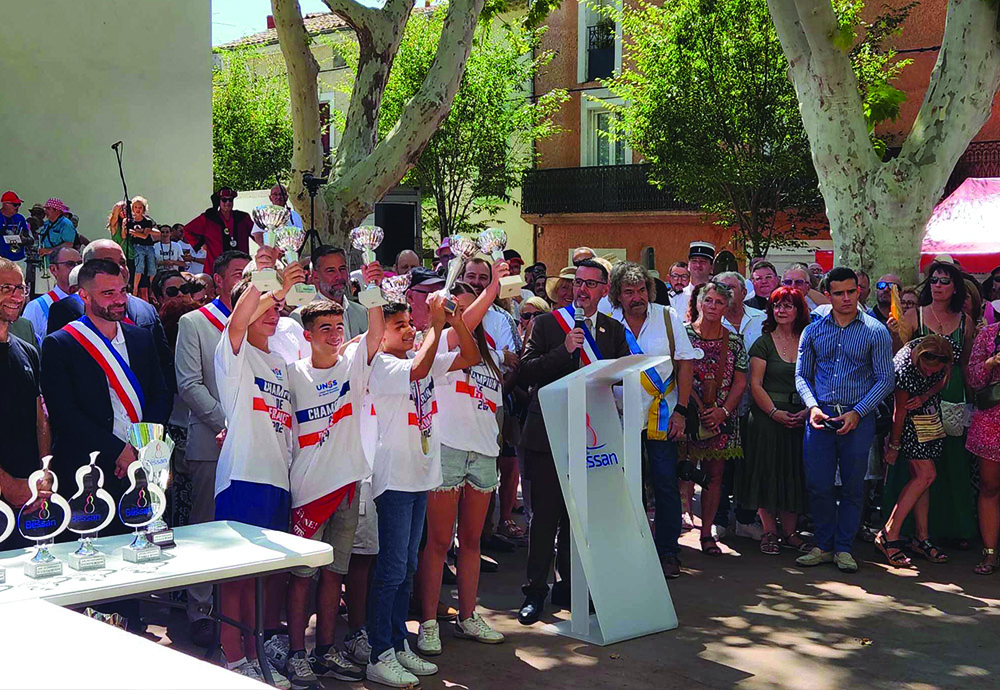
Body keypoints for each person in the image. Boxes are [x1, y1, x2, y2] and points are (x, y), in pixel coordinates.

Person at [364, 293, 478, 688]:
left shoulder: (423, 358)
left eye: (412, 324)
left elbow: (470, 357)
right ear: (381, 337)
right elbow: (417, 369)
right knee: (392, 569)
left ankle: (397, 644)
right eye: (401, 326)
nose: (411, 330)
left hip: (419, 478)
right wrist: (434, 325)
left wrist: (455, 320)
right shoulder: (383, 365)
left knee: (407, 567)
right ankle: (379, 653)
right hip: (394, 480)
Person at [283, 264, 384, 687]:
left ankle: (325, 652)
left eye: (338, 326)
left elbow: (376, 334)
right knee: (301, 579)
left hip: (347, 489)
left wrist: (374, 286)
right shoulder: (292, 375)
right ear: (306, 334)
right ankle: (295, 653)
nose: (333, 334)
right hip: (308, 492)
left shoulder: (352, 365)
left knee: (335, 574)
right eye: (324, 328)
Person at [516, 259, 630, 624]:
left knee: (579, 517)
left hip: (592, 434)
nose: (581, 290)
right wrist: (564, 349)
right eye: (577, 283)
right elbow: (527, 370)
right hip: (549, 431)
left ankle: (570, 587)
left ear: (603, 290)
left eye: (590, 284)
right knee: (545, 516)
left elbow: (621, 372)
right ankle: (535, 591)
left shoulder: (613, 329)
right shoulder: (549, 323)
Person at [213, 260, 306, 684]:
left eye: (278, 306)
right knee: (235, 576)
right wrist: (271, 285)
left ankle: (254, 653)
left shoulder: (280, 364)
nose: (275, 311)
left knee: (260, 577)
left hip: (277, 481)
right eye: (266, 305)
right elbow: (237, 322)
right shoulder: (233, 353)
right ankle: (233, 656)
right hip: (243, 478)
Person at [416, 273, 511, 657]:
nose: (463, 310)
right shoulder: (439, 348)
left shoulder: (493, 356)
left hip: (484, 452)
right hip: (448, 449)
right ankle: (427, 623)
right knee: (438, 543)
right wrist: (489, 292)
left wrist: (482, 299)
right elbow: (462, 328)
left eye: (468, 304)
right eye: (455, 304)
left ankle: (468, 615)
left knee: (470, 542)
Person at [40, 259, 171, 506]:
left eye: (123, 291)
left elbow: (161, 394)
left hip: (142, 461)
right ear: (84, 296)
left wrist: (139, 446)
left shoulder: (141, 338)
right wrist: (118, 451)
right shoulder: (61, 344)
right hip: (86, 469)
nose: (119, 300)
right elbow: (64, 413)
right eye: (108, 293)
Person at [174, 250, 251, 646]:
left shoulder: (263, 323)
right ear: (218, 281)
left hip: (256, 447)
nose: (245, 279)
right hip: (212, 442)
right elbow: (189, 385)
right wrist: (231, 423)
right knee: (207, 526)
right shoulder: (195, 323)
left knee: (247, 529)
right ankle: (200, 608)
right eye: (239, 273)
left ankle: (241, 610)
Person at [795, 266, 893, 573]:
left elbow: (885, 379)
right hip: (821, 415)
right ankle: (823, 544)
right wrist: (811, 407)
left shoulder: (875, 331)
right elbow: (801, 375)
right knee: (818, 484)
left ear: (859, 291)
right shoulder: (812, 329)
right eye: (839, 293)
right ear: (828, 295)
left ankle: (844, 548)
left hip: (857, 417)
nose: (847, 298)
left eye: (852, 291)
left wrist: (858, 412)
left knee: (854, 486)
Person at [609, 262, 697, 577]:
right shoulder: (607, 321)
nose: (637, 297)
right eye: (629, 292)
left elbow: (685, 364)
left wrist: (682, 411)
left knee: (665, 484)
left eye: (642, 290)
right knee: (624, 485)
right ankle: (629, 549)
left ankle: (668, 552)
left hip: (663, 415)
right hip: (618, 416)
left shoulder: (668, 316)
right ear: (617, 295)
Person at [890, 259, 977, 547]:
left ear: (956, 288)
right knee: (920, 468)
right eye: (934, 281)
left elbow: (964, 364)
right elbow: (900, 359)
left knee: (951, 463)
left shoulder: (965, 321)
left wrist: (972, 400)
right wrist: (894, 332)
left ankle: (952, 528)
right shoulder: (915, 314)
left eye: (944, 281)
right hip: (918, 398)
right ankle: (912, 531)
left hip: (951, 397)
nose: (938, 286)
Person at [47, 240, 175, 395]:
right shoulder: (66, 309)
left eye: (123, 262)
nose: (119, 268)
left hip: (145, 412)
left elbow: (164, 366)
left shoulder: (145, 309)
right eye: (108, 262)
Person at [740, 287, 813, 554]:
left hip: (800, 417)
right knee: (767, 473)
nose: (781, 311)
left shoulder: (809, 339)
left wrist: (807, 412)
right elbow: (755, 385)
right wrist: (774, 413)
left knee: (793, 473)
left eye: (788, 305)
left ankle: (791, 534)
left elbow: (817, 380)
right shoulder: (763, 342)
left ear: (798, 310)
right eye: (776, 306)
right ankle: (769, 532)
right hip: (766, 419)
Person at [683, 280, 748, 555]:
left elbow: (741, 380)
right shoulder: (683, 335)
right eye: (708, 300)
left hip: (721, 417)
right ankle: (683, 521)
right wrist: (694, 407)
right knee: (682, 468)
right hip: (687, 413)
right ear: (699, 302)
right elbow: (675, 374)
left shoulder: (733, 340)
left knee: (715, 474)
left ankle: (707, 533)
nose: (712, 306)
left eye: (719, 302)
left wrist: (723, 411)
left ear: (727, 307)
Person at [877, 334, 953, 567]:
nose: (931, 374)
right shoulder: (903, 369)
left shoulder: (946, 350)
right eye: (927, 370)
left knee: (922, 480)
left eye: (935, 370)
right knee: (926, 474)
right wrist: (894, 446)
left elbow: (944, 376)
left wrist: (925, 395)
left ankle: (922, 537)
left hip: (929, 419)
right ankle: (889, 533)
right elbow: (898, 413)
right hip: (907, 423)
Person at [0, 259, 50, 550]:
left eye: (20, 288)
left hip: (29, 499)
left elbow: (40, 416)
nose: (17, 296)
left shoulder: (28, 351)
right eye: (6, 288)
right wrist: (7, 485)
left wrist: (43, 474)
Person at [967, 318, 1000, 574]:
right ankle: (989, 553)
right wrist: (991, 362)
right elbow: (973, 378)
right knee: (989, 487)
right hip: (991, 421)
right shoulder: (989, 334)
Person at [183, 188, 254, 279]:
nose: (227, 202)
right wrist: (201, 244)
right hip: (215, 265)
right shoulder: (208, 218)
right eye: (224, 200)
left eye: (230, 200)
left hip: (240, 265)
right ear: (219, 201)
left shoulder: (243, 218)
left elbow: (256, 234)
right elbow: (187, 230)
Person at [21, 246, 81, 345]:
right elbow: (26, 346)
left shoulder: (89, 302)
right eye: (70, 264)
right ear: (53, 269)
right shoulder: (36, 307)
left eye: (80, 264)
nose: (77, 269)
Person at [670, 241, 715, 320]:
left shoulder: (718, 297)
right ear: (688, 266)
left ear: (711, 268)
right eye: (694, 261)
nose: (698, 265)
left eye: (703, 262)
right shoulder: (675, 298)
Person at [37, 198, 77, 266]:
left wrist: (49, 250)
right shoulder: (47, 224)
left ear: (57, 211)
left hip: (59, 263)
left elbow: (68, 244)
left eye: (48, 209)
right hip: (45, 262)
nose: (45, 211)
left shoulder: (66, 224)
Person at [406, 267, 446, 332]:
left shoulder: (448, 329)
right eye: (430, 293)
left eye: (438, 293)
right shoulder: (399, 331)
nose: (435, 297)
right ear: (410, 296)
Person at [0, 191, 29, 263]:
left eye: (19, 204)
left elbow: (27, 236)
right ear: (5, 204)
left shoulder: (20, 218)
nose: (18, 207)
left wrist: (25, 240)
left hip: (19, 259)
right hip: (2, 260)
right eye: (15, 205)